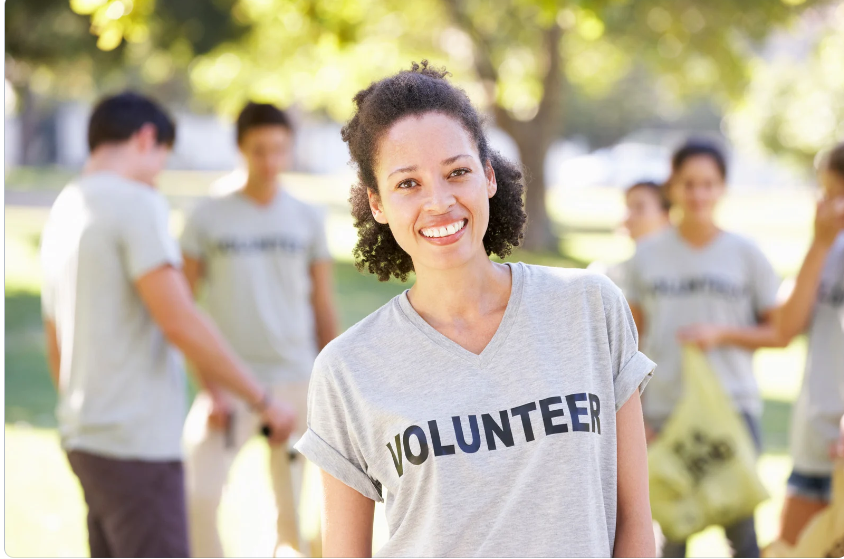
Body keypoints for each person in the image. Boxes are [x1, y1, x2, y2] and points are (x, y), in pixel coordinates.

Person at [293, 61, 656, 557]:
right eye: (408, 184)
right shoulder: (347, 369)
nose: (439, 201)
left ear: (488, 176)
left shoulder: (590, 307)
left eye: (457, 172)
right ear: (376, 203)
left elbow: (635, 520)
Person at [39, 93, 296, 558]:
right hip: (137, 446)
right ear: (146, 138)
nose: (159, 171)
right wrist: (263, 400)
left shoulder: (66, 207)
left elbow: (53, 334)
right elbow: (180, 319)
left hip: (85, 438)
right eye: (161, 157)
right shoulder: (137, 202)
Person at [180, 102, 338, 557]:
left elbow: (322, 303)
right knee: (199, 497)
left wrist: (333, 381)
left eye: (279, 150)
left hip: (296, 380)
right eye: (258, 151)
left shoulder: (307, 217)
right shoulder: (207, 216)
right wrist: (209, 387)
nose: (269, 162)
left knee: (293, 516)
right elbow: (184, 309)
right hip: (229, 384)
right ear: (240, 149)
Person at [625, 140, 782, 558]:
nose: (698, 194)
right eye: (689, 183)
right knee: (672, 535)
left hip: (731, 409)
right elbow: (630, 342)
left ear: (722, 187)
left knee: (743, 532)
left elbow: (780, 332)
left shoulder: (746, 254)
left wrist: (722, 334)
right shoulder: (646, 257)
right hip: (665, 411)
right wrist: (637, 414)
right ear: (672, 186)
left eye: (708, 184)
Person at [772, 142, 844, 545]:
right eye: (826, 194)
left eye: (837, 194)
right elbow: (785, 328)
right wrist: (818, 244)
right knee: (789, 551)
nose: (830, 206)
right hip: (815, 441)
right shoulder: (827, 248)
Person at [589, 180, 671, 292]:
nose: (628, 217)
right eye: (628, 206)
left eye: (639, 207)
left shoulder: (677, 272)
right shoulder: (604, 272)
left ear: (665, 216)